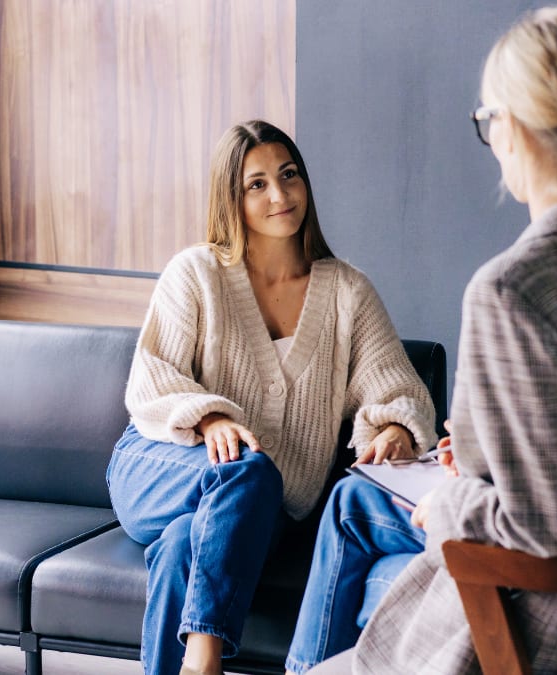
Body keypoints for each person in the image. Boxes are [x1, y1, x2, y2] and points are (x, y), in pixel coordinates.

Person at [291, 6, 557, 674]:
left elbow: (552, 527)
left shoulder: (512, 291)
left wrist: (451, 504)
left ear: (514, 132)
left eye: (488, 120)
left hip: (546, 642)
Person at [106, 119, 438, 675]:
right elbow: (150, 380)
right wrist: (210, 418)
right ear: (230, 199)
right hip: (161, 465)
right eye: (256, 184)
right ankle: (205, 661)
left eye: (289, 176)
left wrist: (395, 430)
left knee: (190, 539)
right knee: (249, 470)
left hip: (267, 505)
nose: (279, 195)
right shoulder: (197, 273)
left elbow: (396, 387)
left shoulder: (347, 292)